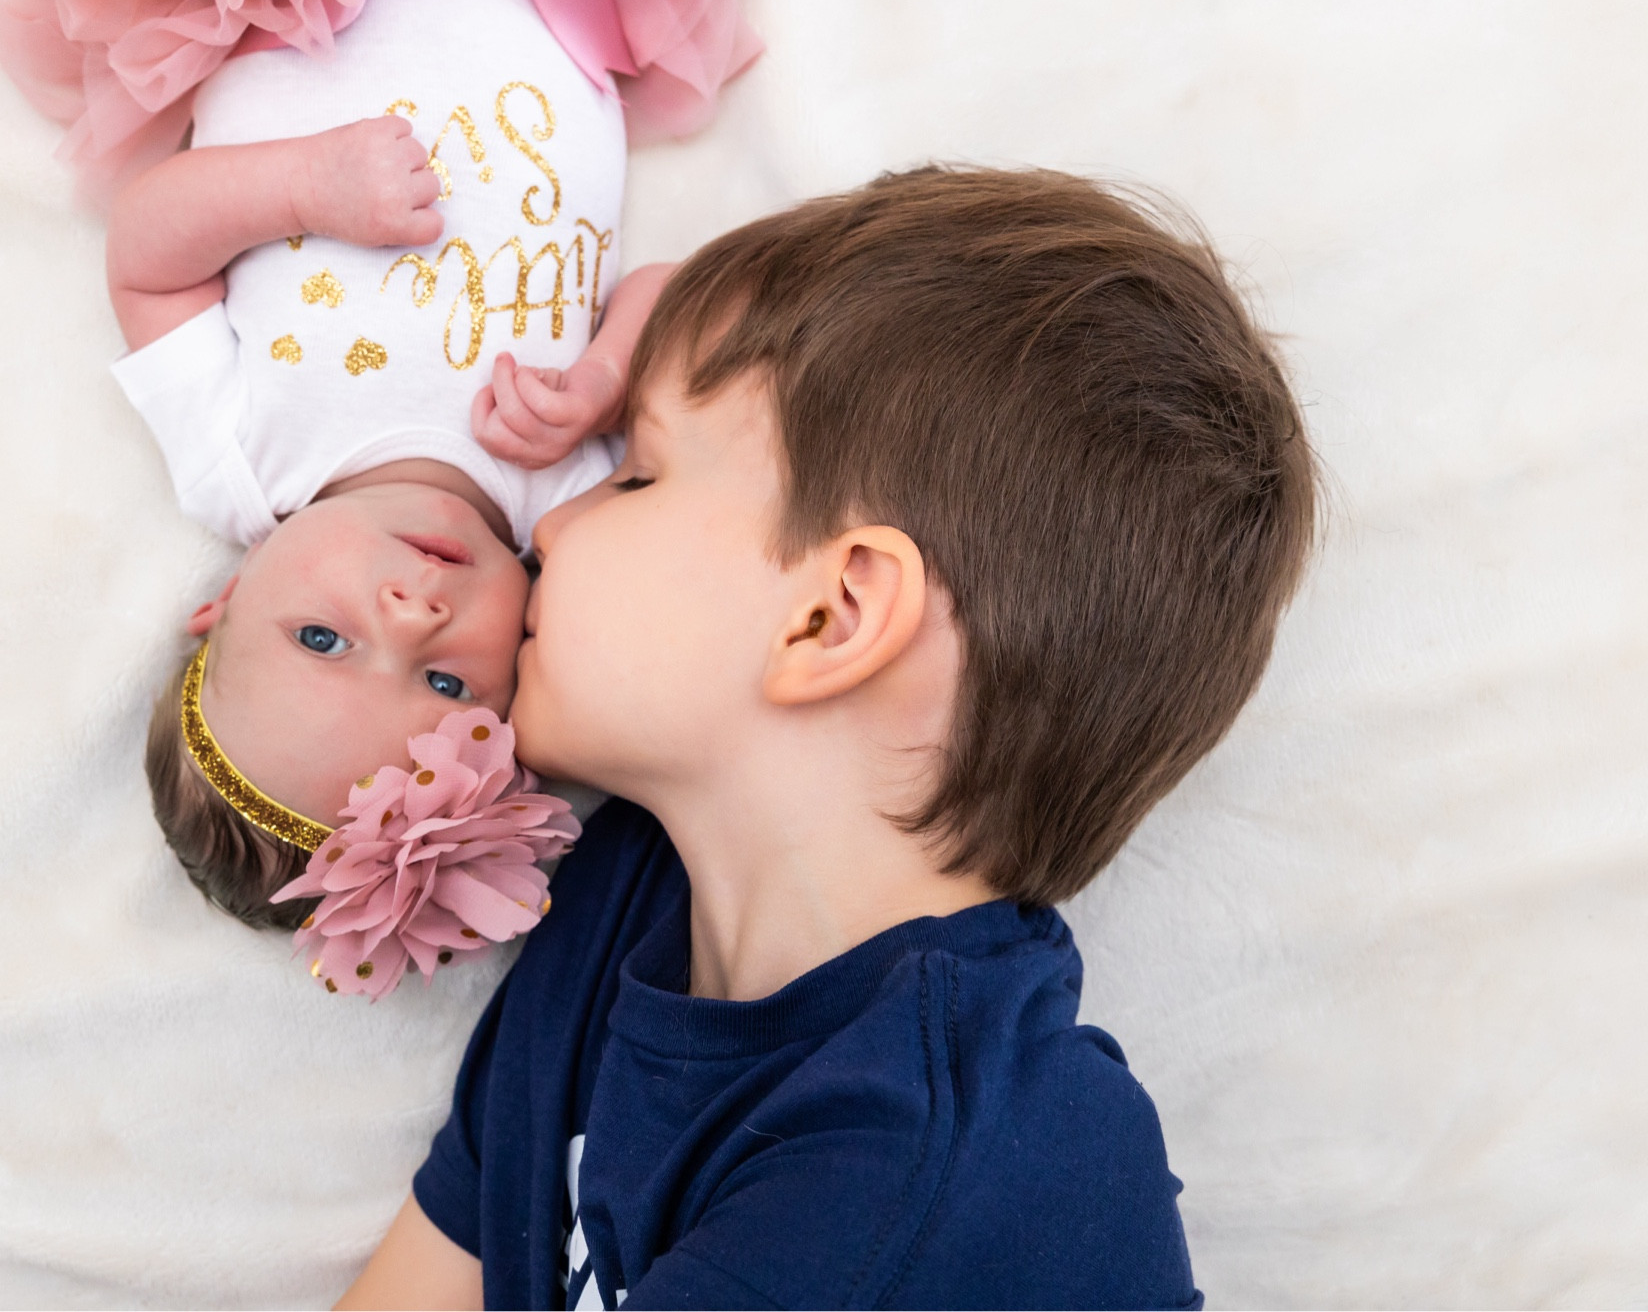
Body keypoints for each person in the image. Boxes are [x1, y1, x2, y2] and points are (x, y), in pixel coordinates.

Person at [340, 166, 1318, 1308]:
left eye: (639, 473)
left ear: (830, 617)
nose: (548, 518)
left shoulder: (956, 1170)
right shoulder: (616, 901)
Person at [0, 0, 751, 929]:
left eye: (322, 637)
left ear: (223, 598)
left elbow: (145, 257)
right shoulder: (566, 506)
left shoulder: (239, 466)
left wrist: (303, 188)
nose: (408, 611)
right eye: (444, 681)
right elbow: (683, 298)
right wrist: (607, 380)